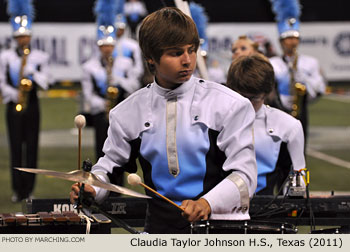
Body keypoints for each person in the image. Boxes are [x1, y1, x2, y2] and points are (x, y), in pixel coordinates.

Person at [71, 7, 257, 234]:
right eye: (176, 53)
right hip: (159, 231)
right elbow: (108, 167)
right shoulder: (127, 112)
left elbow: (245, 176)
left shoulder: (230, 105)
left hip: (221, 229)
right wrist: (93, 187)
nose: (188, 60)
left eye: (191, 50)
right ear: (151, 57)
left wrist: (207, 203)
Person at [227, 54, 306, 195]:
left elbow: (297, 181)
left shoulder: (288, 127)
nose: (247, 104)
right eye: (242, 97)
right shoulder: (214, 121)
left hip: (264, 209)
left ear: (267, 93)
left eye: (254, 98)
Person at [81, 0, 139, 190]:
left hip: (120, 113)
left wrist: (117, 79)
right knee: (102, 152)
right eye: (103, 46)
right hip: (101, 113)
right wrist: (103, 105)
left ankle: (118, 191)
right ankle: (102, 190)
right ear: (98, 47)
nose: (107, 49)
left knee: (122, 153)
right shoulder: (89, 66)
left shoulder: (124, 64)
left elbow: (132, 85)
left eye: (110, 46)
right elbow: (88, 95)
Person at [0, 0, 51, 202]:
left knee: (31, 148)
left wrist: (32, 74)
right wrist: (13, 95)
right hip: (14, 104)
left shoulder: (39, 57)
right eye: (20, 36)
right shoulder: (5, 57)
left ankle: (29, 190)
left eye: (26, 35)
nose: (23, 39)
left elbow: (47, 83)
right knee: (14, 147)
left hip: (32, 104)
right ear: (15, 37)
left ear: (30, 36)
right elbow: (1, 82)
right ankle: (17, 190)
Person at [269, 0, 327, 142]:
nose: (292, 42)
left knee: (301, 146)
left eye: (295, 38)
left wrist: (304, 80)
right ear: (281, 42)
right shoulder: (273, 63)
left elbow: (320, 88)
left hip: (301, 110)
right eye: (288, 39)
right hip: (278, 109)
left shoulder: (310, 62)